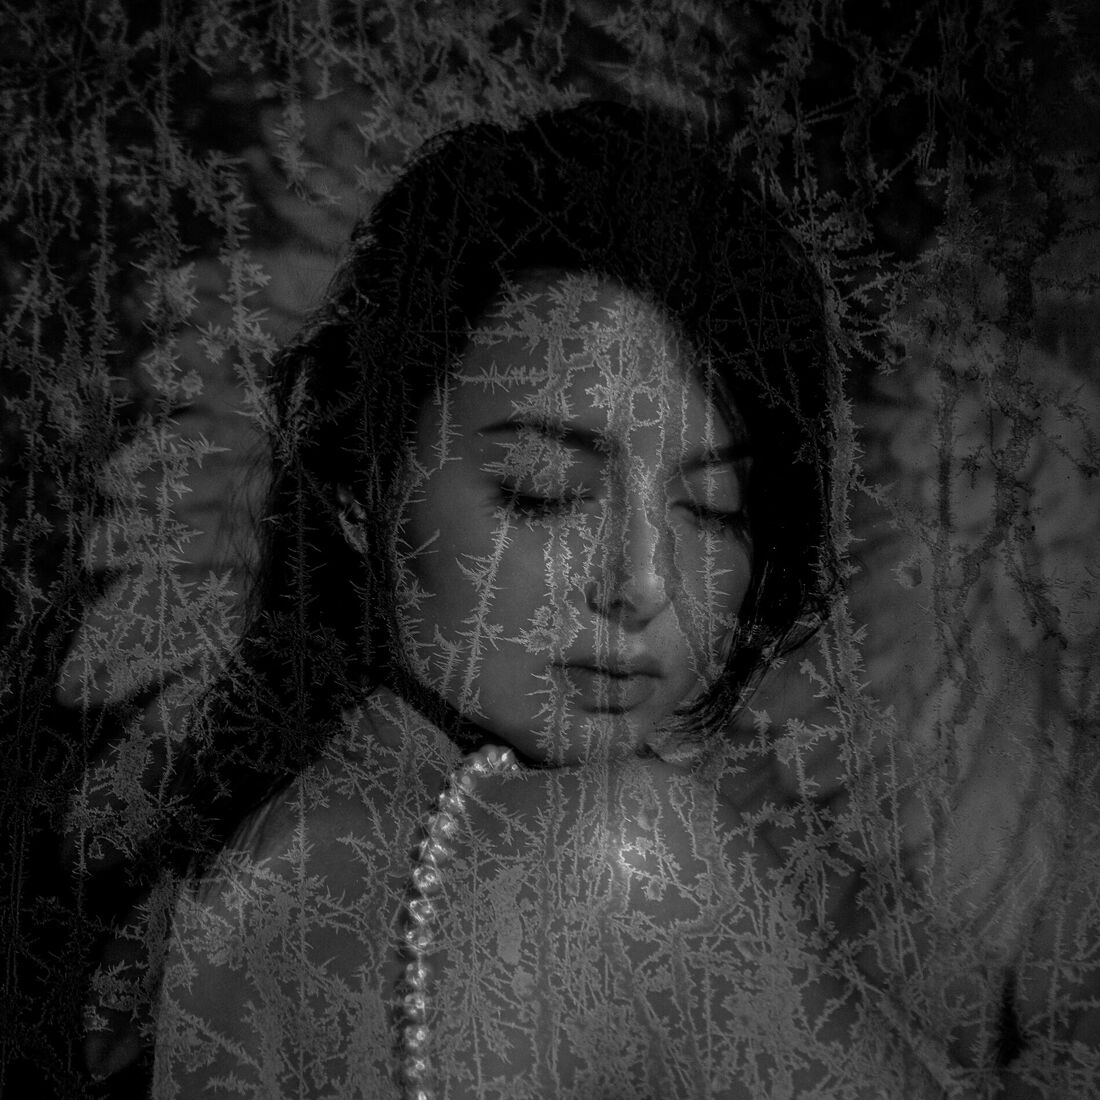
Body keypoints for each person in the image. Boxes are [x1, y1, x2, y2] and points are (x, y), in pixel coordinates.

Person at [89, 101, 1055, 1098]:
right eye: (543, 489)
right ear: (358, 486)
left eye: (709, 508)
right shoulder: (630, 853)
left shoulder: (244, 877)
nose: (641, 582)